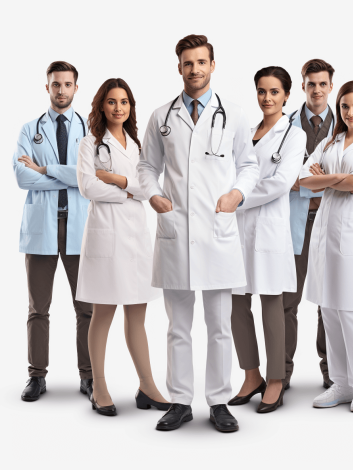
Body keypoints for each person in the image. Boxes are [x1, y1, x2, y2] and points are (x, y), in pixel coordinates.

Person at [137, 34, 259, 432]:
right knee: (178, 326)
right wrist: (154, 196)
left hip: (217, 229)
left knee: (220, 325)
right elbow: (146, 168)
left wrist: (236, 195)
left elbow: (250, 165)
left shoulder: (236, 114)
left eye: (201, 62)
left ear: (212, 65)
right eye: (188, 63)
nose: (195, 69)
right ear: (179, 68)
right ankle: (180, 401)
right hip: (176, 231)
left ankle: (220, 401)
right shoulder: (161, 116)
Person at [76, 78, 169, 416]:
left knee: (137, 315)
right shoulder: (89, 144)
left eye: (124, 102)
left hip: (135, 238)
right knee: (103, 314)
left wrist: (118, 181)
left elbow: (148, 187)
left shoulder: (137, 145)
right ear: (102, 105)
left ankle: (147, 386)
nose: (118, 107)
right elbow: (87, 187)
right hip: (106, 236)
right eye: (112, 101)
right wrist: (131, 191)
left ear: (130, 107)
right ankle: (99, 386)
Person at [299, 81, 353, 412]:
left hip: (352, 237)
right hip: (324, 236)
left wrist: (329, 178)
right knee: (328, 310)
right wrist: (341, 180)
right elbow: (303, 179)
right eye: (345, 106)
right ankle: (341, 383)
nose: (350, 112)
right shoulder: (329, 141)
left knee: (349, 312)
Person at [12, 61, 93, 402]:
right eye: (55, 84)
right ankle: (37, 376)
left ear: (76, 88)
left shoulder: (91, 130)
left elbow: (92, 176)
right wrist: (70, 174)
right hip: (43, 228)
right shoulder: (29, 129)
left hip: (80, 228)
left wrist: (45, 169)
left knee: (86, 308)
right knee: (37, 308)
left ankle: (89, 376)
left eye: (67, 84)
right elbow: (21, 178)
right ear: (47, 88)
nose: (61, 90)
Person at [228, 67, 306, 413]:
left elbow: (281, 181)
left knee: (272, 301)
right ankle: (250, 375)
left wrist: (238, 196)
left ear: (287, 95)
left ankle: (276, 380)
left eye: (274, 92)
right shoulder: (246, 132)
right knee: (236, 302)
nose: (267, 98)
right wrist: (234, 193)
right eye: (262, 91)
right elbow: (232, 172)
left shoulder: (294, 136)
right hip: (238, 229)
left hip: (269, 227)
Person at [284, 59, 336, 389]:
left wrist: (304, 180)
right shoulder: (285, 126)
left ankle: (332, 369)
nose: (316, 89)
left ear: (331, 86)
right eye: (310, 83)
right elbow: (276, 179)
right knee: (287, 300)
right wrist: (328, 181)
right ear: (302, 86)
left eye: (322, 84)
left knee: (329, 300)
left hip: (331, 221)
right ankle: (282, 370)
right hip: (295, 222)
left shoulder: (346, 127)